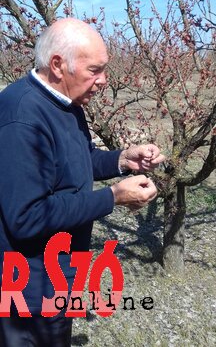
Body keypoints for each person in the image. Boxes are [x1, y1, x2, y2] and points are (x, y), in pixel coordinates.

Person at [0, 18, 165, 347]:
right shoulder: (23, 119)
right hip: (30, 286)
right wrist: (112, 198)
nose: (103, 80)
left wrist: (121, 160)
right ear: (58, 65)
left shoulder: (67, 103)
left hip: (57, 271)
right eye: (95, 70)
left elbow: (77, 160)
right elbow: (27, 215)